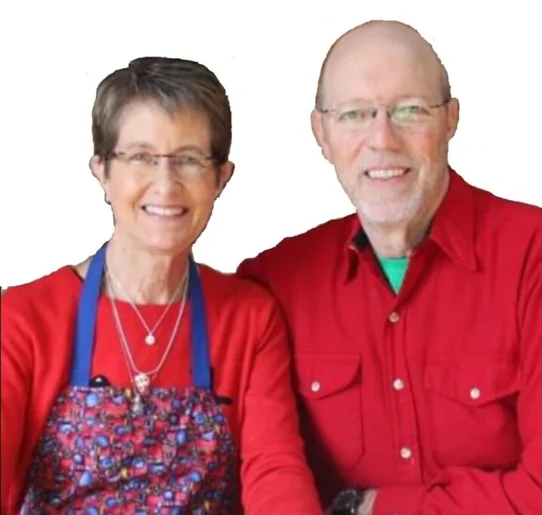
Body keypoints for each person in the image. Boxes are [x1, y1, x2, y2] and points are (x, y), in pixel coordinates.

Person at [237, 20, 542, 515]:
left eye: (410, 111)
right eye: (355, 115)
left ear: (451, 119)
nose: (382, 139)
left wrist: (370, 508)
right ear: (321, 132)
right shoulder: (272, 284)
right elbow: (262, 479)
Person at [0, 57, 323, 515]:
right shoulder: (24, 317)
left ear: (220, 178)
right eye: (141, 157)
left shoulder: (249, 318)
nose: (166, 184)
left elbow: (276, 471)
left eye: (189, 160)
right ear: (102, 171)